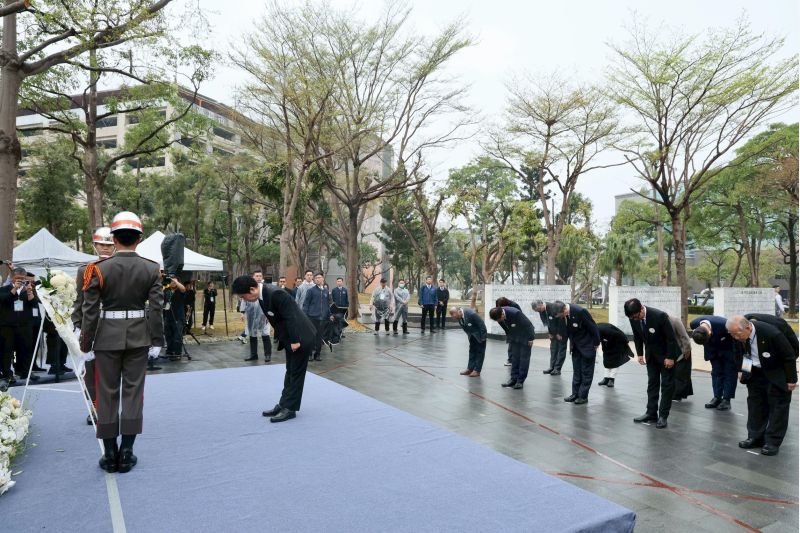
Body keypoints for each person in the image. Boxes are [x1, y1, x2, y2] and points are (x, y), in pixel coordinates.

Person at [80, 211, 164, 473]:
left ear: (114, 239)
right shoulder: (151, 268)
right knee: (133, 392)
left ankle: (110, 454)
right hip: (139, 337)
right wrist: (157, 340)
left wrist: (85, 344)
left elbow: (89, 311)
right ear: (139, 239)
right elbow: (156, 309)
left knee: (106, 393)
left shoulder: (97, 269)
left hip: (106, 338)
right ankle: (127, 452)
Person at [232, 275, 316, 423]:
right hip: (291, 338)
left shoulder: (275, 293)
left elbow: (290, 317)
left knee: (296, 374)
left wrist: (295, 341)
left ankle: (290, 409)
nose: (244, 300)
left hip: (300, 337)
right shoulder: (262, 295)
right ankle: (283, 404)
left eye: (243, 297)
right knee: (290, 372)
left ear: (252, 289)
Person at [727, 315, 797, 456]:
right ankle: (755, 437)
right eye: (732, 334)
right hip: (755, 372)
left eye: (737, 334)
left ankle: (772, 442)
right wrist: (742, 370)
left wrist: (791, 380)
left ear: (748, 328)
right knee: (755, 405)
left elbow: (789, 356)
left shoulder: (771, 333)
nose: (735, 337)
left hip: (776, 371)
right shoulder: (737, 334)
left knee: (778, 408)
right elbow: (739, 353)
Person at [72, 227, 117, 420]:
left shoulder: (120, 268)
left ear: (115, 246)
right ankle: (95, 407)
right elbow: (79, 300)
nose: (105, 248)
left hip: (114, 327)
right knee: (90, 370)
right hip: (91, 327)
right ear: (95, 246)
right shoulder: (85, 270)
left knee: (112, 370)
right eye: (101, 244)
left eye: (109, 245)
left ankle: (109, 406)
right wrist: (77, 325)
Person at [625, 298, 679, 429]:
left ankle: (663, 416)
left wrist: (670, 357)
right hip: (651, 356)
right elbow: (637, 336)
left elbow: (671, 338)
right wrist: (640, 354)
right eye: (632, 318)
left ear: (641, 309)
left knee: (666, 386)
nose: (635, 319)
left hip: (666, 356)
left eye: (636, 316)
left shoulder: (659, 316)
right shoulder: (633, 318)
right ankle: (651, 413)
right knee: (652, 384)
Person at [555, 301, 600, 405]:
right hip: (576, 346)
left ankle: (583, 396)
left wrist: (596, 343)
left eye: (561, 315)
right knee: (577, 371)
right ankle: (575, 394)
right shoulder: (565, 315)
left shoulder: (580, 311)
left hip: (587, 345)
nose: (561, 317)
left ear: (564, 310)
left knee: (586, 372)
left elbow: (593, 327)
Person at [0, 267, 39, 384]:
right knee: (8, 351)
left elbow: (34, 304)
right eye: (18, 278)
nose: (21, 281)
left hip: (24, 325)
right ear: (12, 278)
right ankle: (7, 374)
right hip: (7, 326)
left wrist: (30, 291)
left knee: (25, 349)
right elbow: (3, 300)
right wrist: (14, 289)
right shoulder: (4, 289)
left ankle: (26, 371)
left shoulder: (27, 290)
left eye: (23, 278)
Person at [689, 315, 736, 411]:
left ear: (710, 332)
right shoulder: (693, 324)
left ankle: (726, 400)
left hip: (728, 349)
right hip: (712, 351)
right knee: (716, 374)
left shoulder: (725, 324)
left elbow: (735, 337)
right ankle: (717, 397)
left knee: (729, 374)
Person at [489, 305, 535, 389]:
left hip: (525, 337)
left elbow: (529, 325)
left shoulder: (515, 313)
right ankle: (513, 379)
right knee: (515, 359)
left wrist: (531, 338)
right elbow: (505, 327)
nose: (499, 321)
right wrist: (510, 337)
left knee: (523, 359)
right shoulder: (498, 316)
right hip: (514, 338)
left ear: (502, 314)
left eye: (499, 319)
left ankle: (520, 381)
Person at [243, 270, 272, 363]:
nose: (259, 277)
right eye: (257, 276)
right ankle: (253, 355)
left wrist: (269, 315)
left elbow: (270, 301)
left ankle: (267, 355)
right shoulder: (248, 288)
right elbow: (243, 299)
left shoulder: (266, 288)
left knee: (265, 333)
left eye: (260, 276)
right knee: (252, 333)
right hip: (251, 314)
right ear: (253, 277)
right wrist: (242, 313)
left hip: (264, 315)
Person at [301, 273, 331, 361]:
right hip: (312, 317)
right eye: (316, 278)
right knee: (311, 337)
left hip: (322, 318)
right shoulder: (311, 291)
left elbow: (327, 305)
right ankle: (309, 354)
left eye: (319, 277)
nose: (317, 279)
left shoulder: (326, 291)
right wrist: (305, 316)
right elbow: (306, 304)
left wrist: (329, 315)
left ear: (323, 279)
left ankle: (317, 354)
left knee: (319, 337)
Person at [533, 300, 567, 376]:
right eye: (537, 311)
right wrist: (550, 333)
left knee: (561, 350)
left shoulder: (553, 307)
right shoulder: (541, 311)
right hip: (553, 333)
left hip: (561, 332)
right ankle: (552, 367)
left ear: (541, 305)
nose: (538, 312)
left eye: (538, 309)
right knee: (553, 350)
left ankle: (557, 369)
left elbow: (561, 320)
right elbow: (547, 322)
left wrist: (559, 333)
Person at [451, 306, 487, 377]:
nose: (455, 318)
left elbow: (481, 324)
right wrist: (469, 336)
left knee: (480, 353)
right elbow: (465, 327)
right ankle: (470, 368)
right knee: (472, 352)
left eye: (455, 316)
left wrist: (483, 337)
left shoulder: (471, 314)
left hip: (479, 336)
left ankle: (477, 370)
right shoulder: (459, 316)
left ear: (459, 311)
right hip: (471, 336)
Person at [596, 323, 632, 388]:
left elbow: (621, 336)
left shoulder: (607, 330)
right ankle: (606, 379)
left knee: (615, 362)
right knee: (606, 361)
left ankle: (611, 380)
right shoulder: (595, 329)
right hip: (607, 342)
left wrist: (626, 342)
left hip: (617, 343)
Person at [668, 315, 694, 401]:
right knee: (677, 372)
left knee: (681, 372)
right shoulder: (660, 322)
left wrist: (687, 350)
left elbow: (684, 336)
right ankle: (679, 393)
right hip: (672, 348)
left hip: (682, 349)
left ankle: (677, 395)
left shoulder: (675, 321)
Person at [162, 274, 186, 357]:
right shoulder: (166, 290)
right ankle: (170, 350)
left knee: (177, 336)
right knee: (168, 335)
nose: (173, 282)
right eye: (171, 281)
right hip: (168, 316)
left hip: (178, 317)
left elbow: (183, 289)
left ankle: (177, 352)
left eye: (174, 281)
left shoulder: (180, 290)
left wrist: (176, 281)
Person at [496, 297, 521, 367]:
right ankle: (511, 359)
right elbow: (499, 319)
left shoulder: (514, 305)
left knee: (514, 342)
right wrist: (507, 331)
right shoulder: (498, 304)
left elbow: (520, 316)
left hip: (515, 324)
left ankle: (513, 359)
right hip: (507, 324)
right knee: (511, 341)